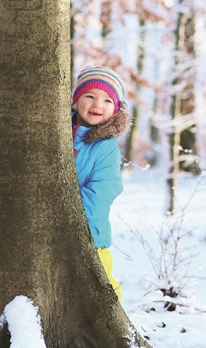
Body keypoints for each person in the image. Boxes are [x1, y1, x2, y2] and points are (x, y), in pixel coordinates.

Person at [71, 65, 130, 301]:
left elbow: (103, 191)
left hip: (91, 235)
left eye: (107, 100)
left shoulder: (105, 148)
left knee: (101, 285)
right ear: (75, 101)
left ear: (115, 109)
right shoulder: (57, 133)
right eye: (90, 96)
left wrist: (66, 214)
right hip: (53, 233)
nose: (97, 105)